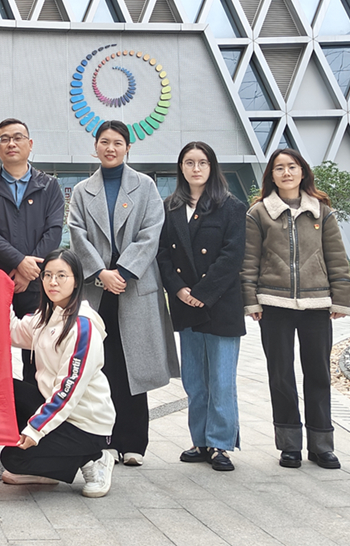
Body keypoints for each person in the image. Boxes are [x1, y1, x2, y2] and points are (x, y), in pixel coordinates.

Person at [67, 120, 179, 466]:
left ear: (128, 147)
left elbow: (151, 232)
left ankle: (133, 442)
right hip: (97, 288)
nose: (110, 148)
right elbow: (76, 233)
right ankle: (105, 440)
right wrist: (101, 272)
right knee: (102, 365)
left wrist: (124, 271)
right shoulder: (83, 190)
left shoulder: (145, 186)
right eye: (104, 142)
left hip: (134, 285)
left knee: (134, 365)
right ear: (95, 147)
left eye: (117, 142)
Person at [242, 148, 350, 470]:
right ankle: (289, 445)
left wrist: (340, 298)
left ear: (303, 172)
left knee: (318, 374)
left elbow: (336, 257)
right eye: (279, 168)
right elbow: (249, 261)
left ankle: (321, 446)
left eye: (292, 167)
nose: (286, 173)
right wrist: (251, 300)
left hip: (316, 304)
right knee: (281, 376)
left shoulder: (322, 212)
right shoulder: (259, 213)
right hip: (274, 305)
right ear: (271, 176)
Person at [0, 118, 64, 467]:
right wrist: (18, 263)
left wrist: (29, 270)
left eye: (18, 138)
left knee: (37, 360)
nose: (12, 143)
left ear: (30, 144)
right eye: (4, 139)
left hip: (37, 285)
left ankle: (33, 435)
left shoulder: (49, 186)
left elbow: (54, 230)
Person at [157, 141, 246, 472]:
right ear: (181, 167)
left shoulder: (231, 207)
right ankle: (200, 441)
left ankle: (221, 444)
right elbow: (162, 254)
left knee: (221, 380)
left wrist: (203, 292)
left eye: (202, 162)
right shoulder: (170, 207)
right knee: (195, 381)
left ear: (212, 167)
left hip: (220, 304)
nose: (196, 168)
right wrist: (179, 289)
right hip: (185, 304)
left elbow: (232, 256)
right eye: (189, 162)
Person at [1, 249, 116, 498]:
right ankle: (51, 469)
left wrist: (34, 430)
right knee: (6, 390)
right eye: (48, 275)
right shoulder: (46, 317)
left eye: (62, 275)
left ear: (76, 281)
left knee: (13, 459)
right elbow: (12, 331)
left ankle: (95, 459)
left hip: (85, 423)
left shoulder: (83, 327)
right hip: (59, 411)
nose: (53, 282)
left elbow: (68, 389)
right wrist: (3, 291)